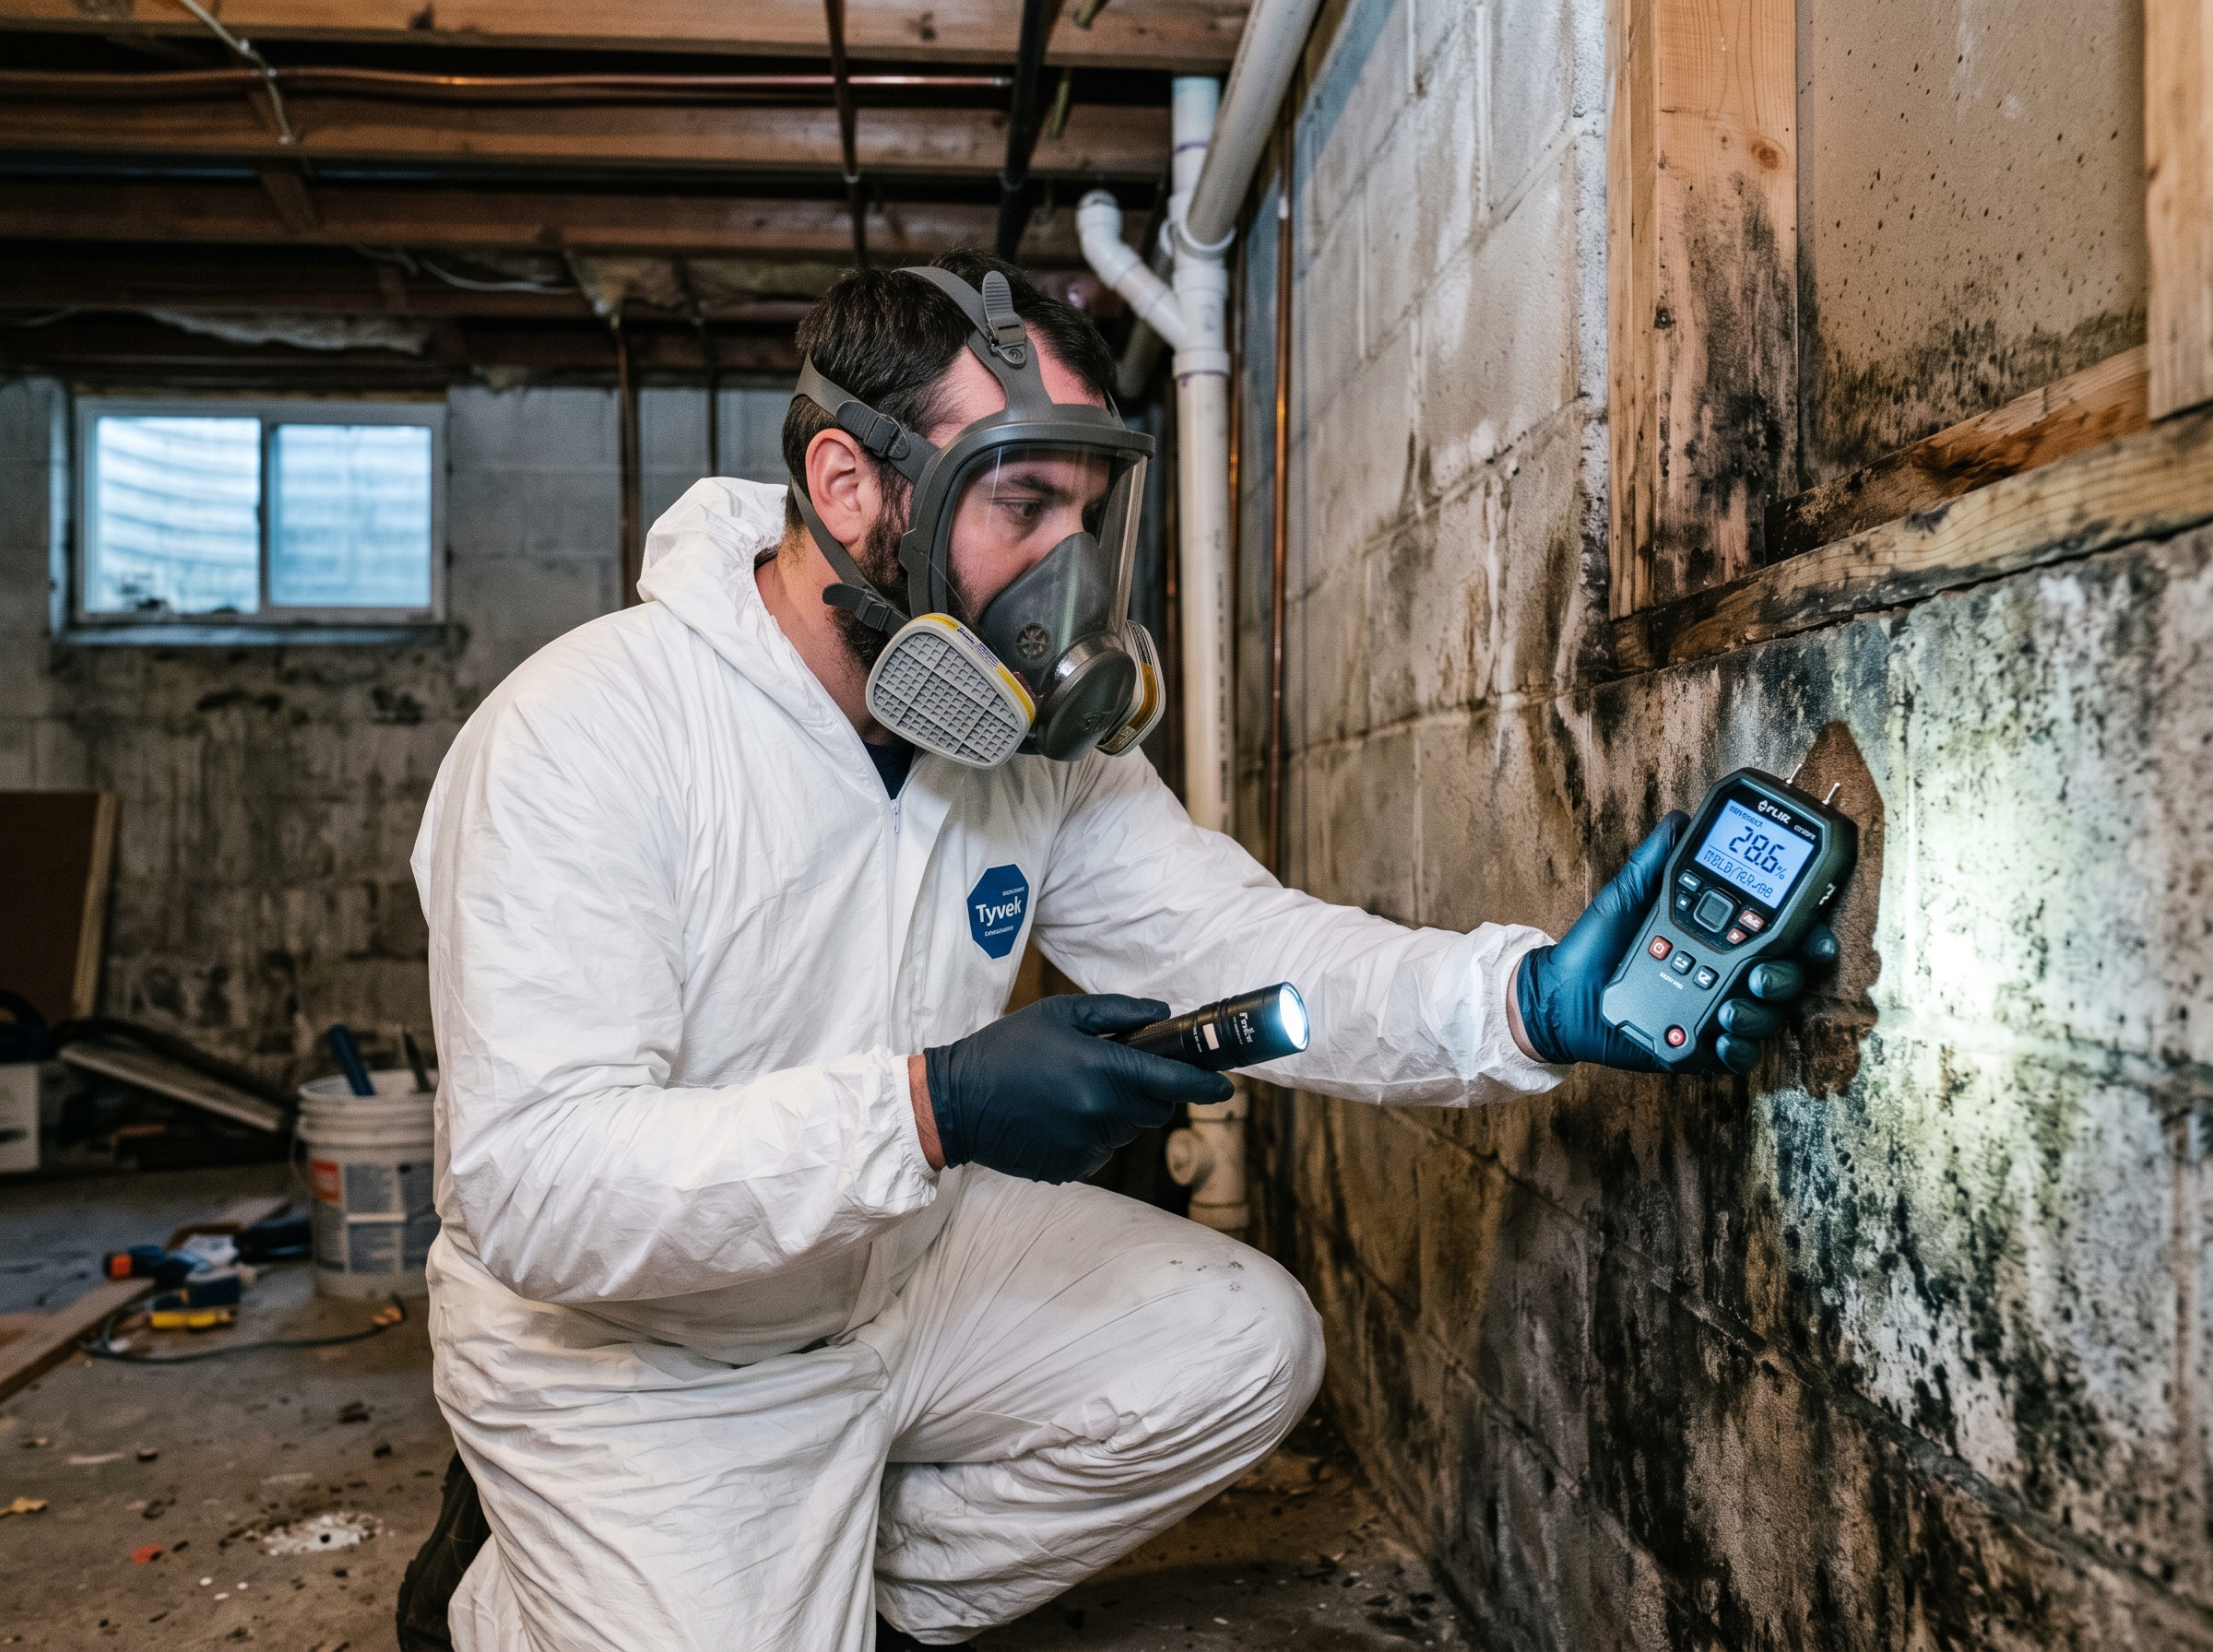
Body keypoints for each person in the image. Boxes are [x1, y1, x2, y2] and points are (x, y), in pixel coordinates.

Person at [399, 252, 1828, 1652]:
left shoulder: (1032, 749)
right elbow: (536, 1187)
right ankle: (518, 1587)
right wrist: (932, 1108)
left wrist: (1520, 1003)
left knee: (1244, 1348)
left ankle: (850, 1587)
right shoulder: (587, 735)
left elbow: (1235, 944)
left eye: (1084, 516)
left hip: (896, 1271)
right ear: (850, 486)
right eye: (1021, 504)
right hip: (643, 1350)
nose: (1066, 575)